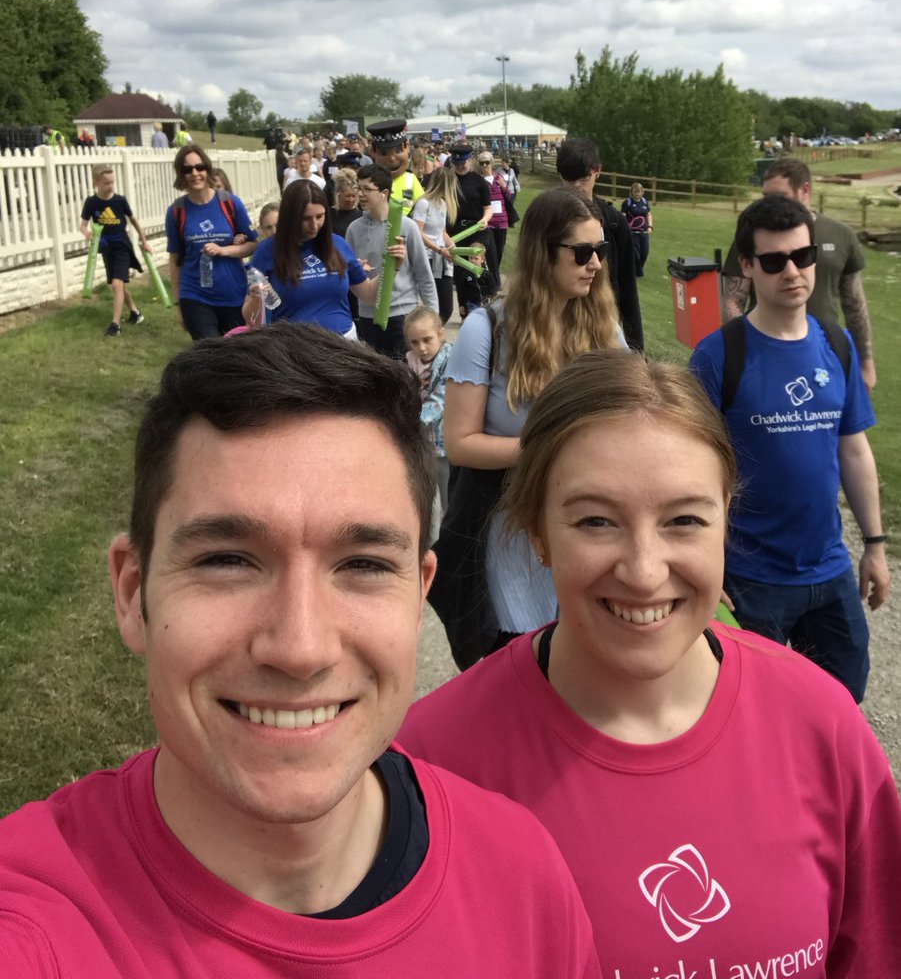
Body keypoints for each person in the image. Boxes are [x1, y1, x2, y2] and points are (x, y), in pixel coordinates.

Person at [0, 324, 601, 977]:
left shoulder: (522, 877)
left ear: (417, 595)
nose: (299, 646)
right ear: (132, 592)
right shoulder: (39, 922)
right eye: (228, 560)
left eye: (364, 564)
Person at [399, 348, 901, 977]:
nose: (643, 571)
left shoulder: (820, 725)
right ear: (537, 534)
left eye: (684, 520)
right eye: (596, 521)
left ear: (726, 525)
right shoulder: (431, 762)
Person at [690, 194, 888, 703]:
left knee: (841, 704)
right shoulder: (718, 357)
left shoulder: (836, 345)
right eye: (775, 261)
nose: (793, 272)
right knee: (755, 710)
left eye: (803, 256)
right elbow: (687, 474)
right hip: (751, 578)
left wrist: (876, 544)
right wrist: (702, 566)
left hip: (829, 568)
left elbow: (854, 451)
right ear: (749, 266)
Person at [430, 187, 626, 668]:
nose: (595, 264)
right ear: (543, 253)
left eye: (600, 251)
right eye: (582, 253)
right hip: (512, 529)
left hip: (590, 523)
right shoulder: (487, 329)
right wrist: (550, 449)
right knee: (520, 660)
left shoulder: (605, 326)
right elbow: (459, 444)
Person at [721, 159, 877, 390]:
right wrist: (742, 350)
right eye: (766, 196)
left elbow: (855, 304)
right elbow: (733, 299)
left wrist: (866, 362)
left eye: (778, 195)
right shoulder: (754, 236)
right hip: (766, 351)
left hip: (826, 355)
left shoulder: (841, 235)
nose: (769, 203)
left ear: (805, 190)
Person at [248, 180, 401, 339]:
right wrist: (255, 299)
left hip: (344, 344)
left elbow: (369, 295)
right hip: (293, 351)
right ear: (289, 217)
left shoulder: (338, 244)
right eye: (306, 218)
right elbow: (250, 318)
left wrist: (391, 268)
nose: (314, 225)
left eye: (320, 216)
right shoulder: (266, 251)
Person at [556, 138, 643, 350]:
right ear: (560, 175)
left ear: (598, 171)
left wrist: (637, 352)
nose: (576, 185)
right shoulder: (547, 219)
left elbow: (627, 287)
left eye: (584, 176)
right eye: (569, 177)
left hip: (601, 324)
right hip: (554, 324)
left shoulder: (614, 222)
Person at [165, 144, 257, 340]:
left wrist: (224, 250)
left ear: (207, 169)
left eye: (199, 167)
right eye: (187, 169)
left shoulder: (230, 203)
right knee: (210, 355)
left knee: (234, 357)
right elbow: (174, 260)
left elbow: (252, 244)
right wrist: (179, 303)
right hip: (195, 296)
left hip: (233, 294)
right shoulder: (176, 211)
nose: (195, 173)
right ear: (181, 174)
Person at [345, 164, 438, 358]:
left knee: (406, 374)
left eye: (366, 189)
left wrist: (432, 318)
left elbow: (424, 276)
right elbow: (349, 277)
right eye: (358, 188)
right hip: (368, 316)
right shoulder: (354, 229)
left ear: (384, 193)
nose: (360, 194)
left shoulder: (407, 226)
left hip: (403, 315)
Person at [80, 162, 149, 338]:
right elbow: (83, 225)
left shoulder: (120, 201)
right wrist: (87, 233)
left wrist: (144, 241)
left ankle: (115, 325)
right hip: (105, 248)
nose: (110, 186)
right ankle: (135, 313)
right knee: (116, 285)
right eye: (106, 183)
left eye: (112, 182)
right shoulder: (91, 203)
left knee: (118, 284)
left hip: (122, 246)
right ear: (96, 182)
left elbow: (134, 221)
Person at [404, 306, 452, 543]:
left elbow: (443, 396)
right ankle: (432, 541)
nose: (421, 348)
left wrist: (413, 420)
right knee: (428, 494)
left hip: (442, 440)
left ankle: (448, 537)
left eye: (427, 340)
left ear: (441, 334)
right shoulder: (410, 361)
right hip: (421, 442)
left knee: (447, 493)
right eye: (414, 342)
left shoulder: (450, 358)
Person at [446, 141, 495, 316]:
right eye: (456, 164)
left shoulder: (479, 182)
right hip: (455, 232)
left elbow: (488, 208)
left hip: (477, 229)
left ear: (469, 160)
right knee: (461, 271)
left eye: (463, 163)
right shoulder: (448, 181)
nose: (460, 167)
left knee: (475, 258)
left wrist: (484, 219)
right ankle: (464, 308)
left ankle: (485, 301)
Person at [411, 166, 457, 324]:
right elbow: (418, 232)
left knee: (446, 307)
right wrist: (439, 249)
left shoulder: (443, 204)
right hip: (428, 258)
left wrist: (452, 247)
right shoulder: (424, 203)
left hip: (441, 257)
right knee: (434, 306)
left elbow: (442, 233)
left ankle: (434, 335)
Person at [366, 119, 425, 212]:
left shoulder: (409, 181)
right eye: (383, 153)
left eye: (398, 151)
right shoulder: (368, 181)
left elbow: (414, 207)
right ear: (373, 152)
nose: (392, 159)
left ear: (407, 148)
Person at [478, 150, 512, 283]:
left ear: (492, 163)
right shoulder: (479, 181)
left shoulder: (499, 178)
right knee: (491, 253)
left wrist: (505, 188)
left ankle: (490, 277)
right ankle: (495, 282)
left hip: (502, 221)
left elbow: (508, 197)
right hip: (488, 222)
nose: (485, 165)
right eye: (482, 163)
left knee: (499, 252)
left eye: (487, 162)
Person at [621, 181, 653, 278]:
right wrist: (625, 228)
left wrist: (650, 226)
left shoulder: (644, 202)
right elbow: (623, 216)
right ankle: (636, 272)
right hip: (632, 232)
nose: (637, 194)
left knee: (644, 252)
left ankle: (638, 269)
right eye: (635, 192)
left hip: (644, 232)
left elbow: (648, 214)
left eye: (639, 192)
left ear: (642, 192)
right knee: (636, 253)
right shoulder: (627, 202)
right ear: (632, 192)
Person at [330, 169, 362, 238]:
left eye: (353, 196)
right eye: (347, 196)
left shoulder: (361, 216)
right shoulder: (328, 214)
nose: (351, 200)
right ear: (338, 195)